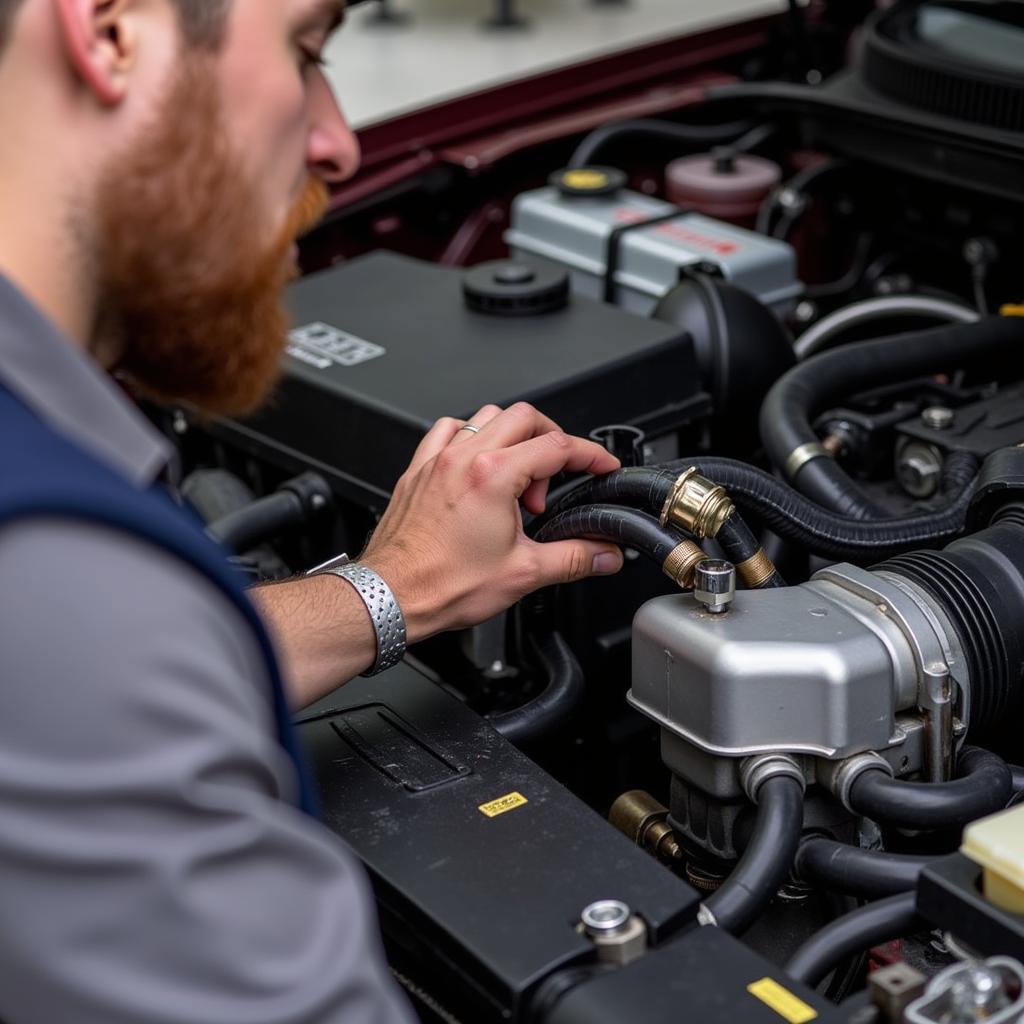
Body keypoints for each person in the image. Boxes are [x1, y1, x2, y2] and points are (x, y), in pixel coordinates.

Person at [0, 1, 626, 1020]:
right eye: (305, 52)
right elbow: (91, 659)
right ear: (111, 31)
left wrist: (392, 590)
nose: (339, 140)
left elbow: (136, 668)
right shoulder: (56, 586)